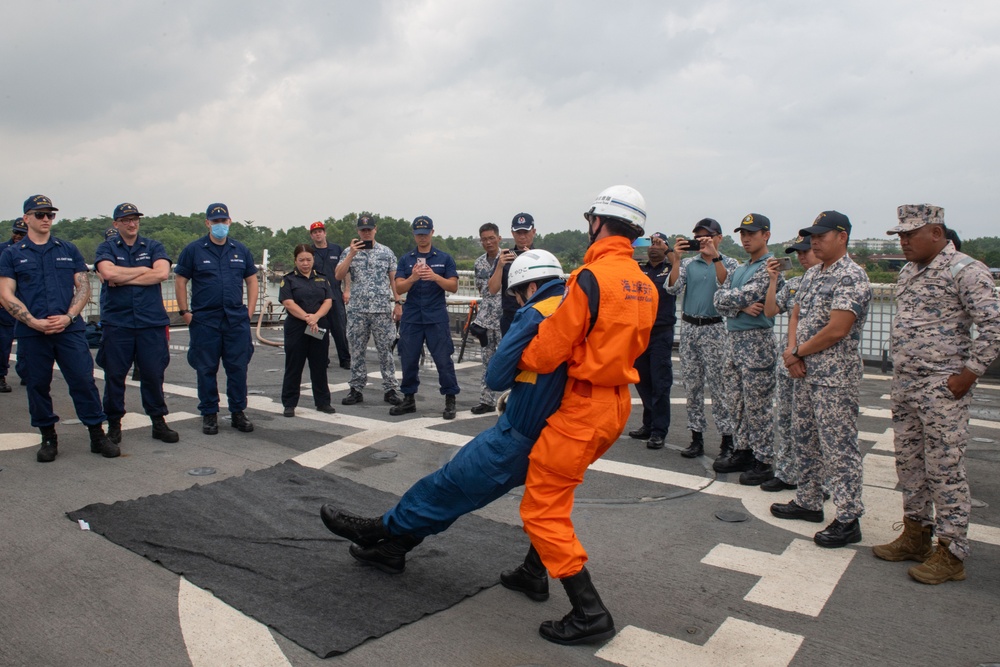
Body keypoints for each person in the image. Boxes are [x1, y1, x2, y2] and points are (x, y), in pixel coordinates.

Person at [319, 250, 568, 577]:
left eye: (519, 294)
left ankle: (378, 528)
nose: (519, 302)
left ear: (531, 287)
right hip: (562, 432)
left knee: (450, 485)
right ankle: (532, 574)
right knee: (548, 508)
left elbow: (495, 376)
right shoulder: (574, 309)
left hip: (522, 432)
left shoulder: (535, 312)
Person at [502, 185, 656, 646]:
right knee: (556, 489)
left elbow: (550, 349)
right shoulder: (645, 284)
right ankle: (534, 570)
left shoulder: (589, 277)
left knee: (541, 506)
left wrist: (516, 357)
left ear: (597, 222)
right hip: (616, 406)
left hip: (583, 405)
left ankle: (589, 611)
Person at [873, 204, 1000, 584]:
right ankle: (916, 534)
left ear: (937, 233)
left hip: (942, 386)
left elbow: (994, 326)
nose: (905, 241)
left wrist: (969, 374)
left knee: (944, 468)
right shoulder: (909, 271)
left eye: (911, 234)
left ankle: (951, 551)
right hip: (907, 383)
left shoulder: (965, 269)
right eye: (900, 235)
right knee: (910, 465)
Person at [770, 211, 871, 549]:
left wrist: (798, 352)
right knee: (805, 440)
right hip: (804, 372)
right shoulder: (813, 274)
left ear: (842, 237)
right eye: (812, 236)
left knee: (839, 448)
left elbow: (838, 328)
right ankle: (809, 500)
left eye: (821, 235)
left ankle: (847, 516)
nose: (814, 242)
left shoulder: (851, 276)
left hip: (833, 378)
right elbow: (795, 313)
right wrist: (791, 351)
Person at [0, 195, 116, 461]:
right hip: (32, 332)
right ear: (26, 218)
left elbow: (83, 286)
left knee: (84, 381)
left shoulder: (68, 249)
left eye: (50, 215)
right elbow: (6, 294)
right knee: (37, 385)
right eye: (39, 214)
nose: (45, 219)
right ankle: (48, 437)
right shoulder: (12, 254)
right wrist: (32, 321)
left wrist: (69, 316)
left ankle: (97, 435)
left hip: (69, 330)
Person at [93, 202, 178, 445]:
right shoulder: (106, 247)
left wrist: (125, 276)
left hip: (150, 322)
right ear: (116, 223)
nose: (132, 224)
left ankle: (158, 422)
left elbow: (161, 273)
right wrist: (143, 271)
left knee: (153, 374)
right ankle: (114, 423)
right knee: (115, 376)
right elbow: (108, 274)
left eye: (135, 219)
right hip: (118, 323)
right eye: (126, 219)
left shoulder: (153, 246)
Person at [174, 203, 258, 435]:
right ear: (207, 223)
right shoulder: (194, 250)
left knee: (238, 368)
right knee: (206, 368)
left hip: (235, 319)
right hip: (205, 320)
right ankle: (209, 413)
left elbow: (251, 280)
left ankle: (238, 412)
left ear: (230, 222)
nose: (220, 225)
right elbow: (180, 279)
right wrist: (185, 312)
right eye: (215, 221)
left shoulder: (240, 250)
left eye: (223, 221)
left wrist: (249, 312)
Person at [713, 214, 782, 480]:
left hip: (757, 341)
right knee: (737, 401)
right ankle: (743, 449)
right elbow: (718, 298)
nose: (745, 239)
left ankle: (763, 459)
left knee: (757, 404)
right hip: (734, 340)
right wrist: (740, 307)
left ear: (766, 235)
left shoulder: (770, 267)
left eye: (751, 234)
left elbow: (748, 294)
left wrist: (735, 302)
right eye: (743, 234)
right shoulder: (740, 269)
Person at [665, 219, 738, 461]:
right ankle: (696, 437)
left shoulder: (730, 263)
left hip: (714, 328)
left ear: (719, 237)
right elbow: (673, 289)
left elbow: (726, 286)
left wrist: (715, 257)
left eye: (707, 236)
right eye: (699, 237)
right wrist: (675, 259)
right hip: (689, 327)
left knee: (720, 387)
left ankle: (727, 440)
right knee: (692, 386)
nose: (702, 241)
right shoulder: (688, 263)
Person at [761, 236, 818, 492]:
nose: (802, 256)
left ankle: (818, 481)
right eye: (798, 253)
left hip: (815, 362)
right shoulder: (795, 284)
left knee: (815, 427)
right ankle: (786, 472)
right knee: (785, 419)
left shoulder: (829, 282)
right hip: (789, 359)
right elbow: (770, 310)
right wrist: (773, 280)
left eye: (806, 251)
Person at [391, 216, 460, 419]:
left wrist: (435, 277)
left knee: (442, 359)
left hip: (435, 317)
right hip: (412, 316)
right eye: (418, 234)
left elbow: (453, 286)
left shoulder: (444, 258)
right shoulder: (406, 259)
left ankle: (450, 399)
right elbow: (399, 287)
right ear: (414, 235)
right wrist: (413, 277)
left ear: (432, 233)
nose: (422, 237)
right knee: (409, 359)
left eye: (425, 233)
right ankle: (409, 399)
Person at [335, 216, 403, 406]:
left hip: (381, 309)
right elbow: (338, 275)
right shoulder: (349, 252)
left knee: (385, 350)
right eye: (363, 230)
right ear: (358, 231)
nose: (366, 232)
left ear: (375, 229)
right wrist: (351, 255)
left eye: (369, 229)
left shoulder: (386, 252)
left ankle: (390, 388)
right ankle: (356, 388)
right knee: (357, 351)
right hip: (357, 310)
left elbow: (394, 279)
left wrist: (398, 303)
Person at [278, 244, 337, 417]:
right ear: (295, 260)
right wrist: (307, 318)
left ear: (313, 260)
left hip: (318, 325)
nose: (305, 263)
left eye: (308, 260)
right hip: (297, 327)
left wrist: (316, 317)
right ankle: (289, 403)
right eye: (301, 260)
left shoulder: (322, 279)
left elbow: (328, 301)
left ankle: (323, 402)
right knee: (294, 366)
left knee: (319, 365)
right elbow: (288, 302)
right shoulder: (288, 280)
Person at [629, 232, 676, 449]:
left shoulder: (670, 269)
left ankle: (659, 430)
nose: (653, 247)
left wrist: (669, 251)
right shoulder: (639, 269)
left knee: (660, 383)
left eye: (658, 244)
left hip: (661, 332)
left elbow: (677, 279)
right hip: (640, 332)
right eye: (650, 243)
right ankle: (648, 424)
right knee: (642, 380)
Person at [469, 222, 504, 414]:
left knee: (510, 360)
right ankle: (486, 399)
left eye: (492, 238)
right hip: (486, 320)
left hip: (505, 319)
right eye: (484, 239)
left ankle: (513, 400)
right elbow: (483, 290)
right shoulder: (479, 263)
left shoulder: (509, 259)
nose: (488, 242)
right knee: (487, 361)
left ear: (499, 238)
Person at [308, 221, 350, 369]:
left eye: (320, 231)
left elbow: (345, 271)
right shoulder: (309, 252)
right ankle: (321, 359)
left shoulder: (337, 249)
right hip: (317, 297)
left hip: (335, 294)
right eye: (314, 232)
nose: (318, 234)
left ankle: (345, 359)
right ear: (311, 235)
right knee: (318, 328)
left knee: (340, 328)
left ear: (325, 233)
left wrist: (347, 290)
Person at [489, 213, 536, 335]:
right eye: (518, 233)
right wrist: (499, 266)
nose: (522, 236)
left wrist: (532, 259)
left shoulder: (541, 256)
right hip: (510, 316)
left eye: (525, 232)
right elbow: (493, 290)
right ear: (512, 233)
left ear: (533, 231)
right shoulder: (505, 256)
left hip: (534, 315)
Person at [0, 218, 28, 393]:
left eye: (22, 234)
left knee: (28, 342)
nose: (18, 236)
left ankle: (27, 372)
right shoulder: (3, 250)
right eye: (16, 232)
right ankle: (1, 375)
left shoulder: (32, 251)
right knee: (4, 342)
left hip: (27, 302)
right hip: (6, 304)